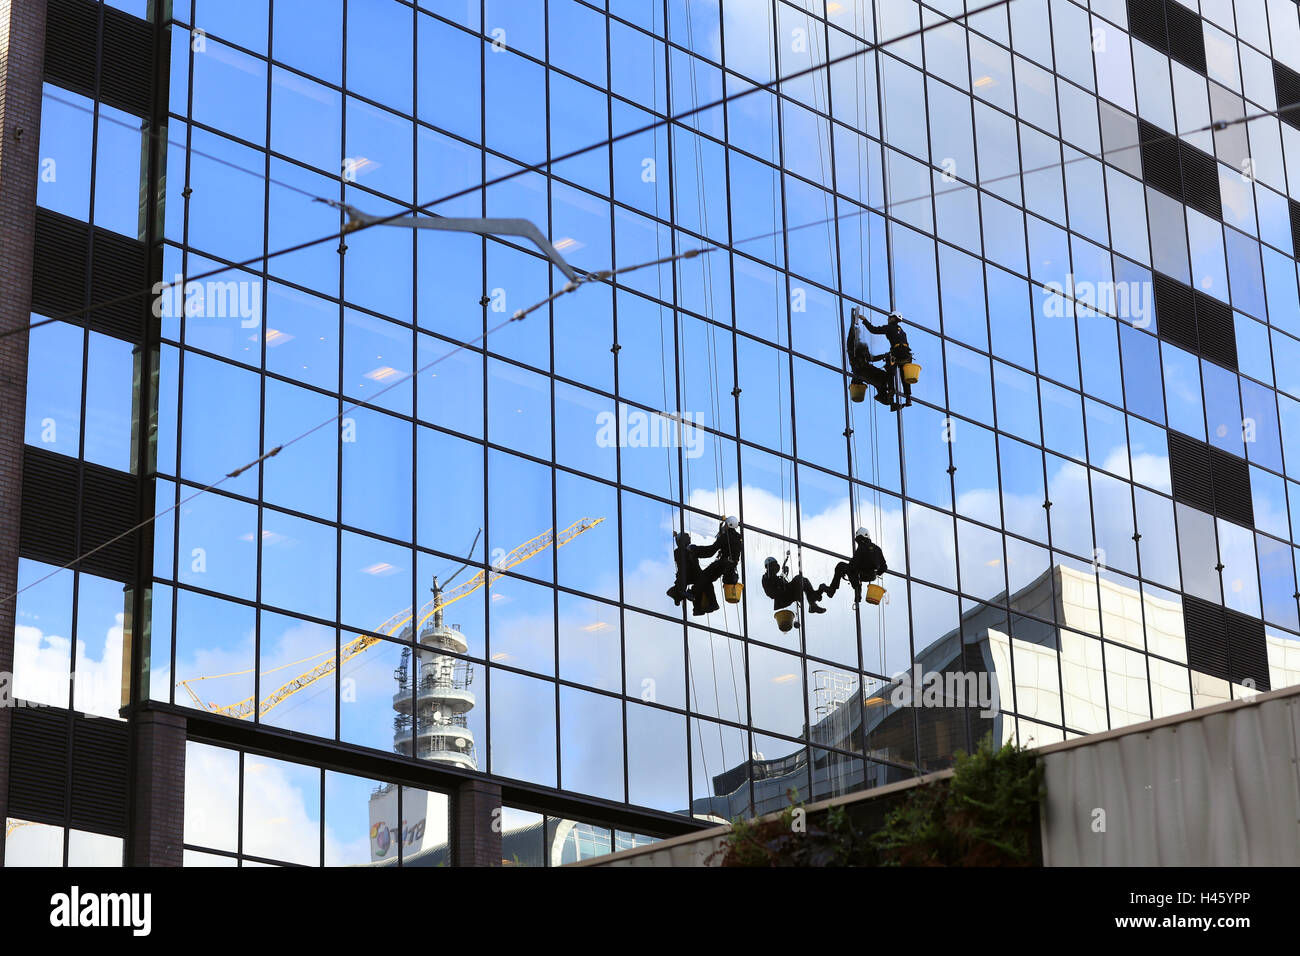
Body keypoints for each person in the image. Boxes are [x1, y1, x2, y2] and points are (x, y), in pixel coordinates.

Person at [820, 527, 888, 605]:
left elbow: (853, 565)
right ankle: (858, 592)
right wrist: (877, 573)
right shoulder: (877, 549)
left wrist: (845, 571)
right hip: (871, 576)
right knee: (855, 573)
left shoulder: (861, 548)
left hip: (859, 574)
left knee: (841, 566)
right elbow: (884, 567)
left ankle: (832, 590)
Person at [864, 310, 914, 407]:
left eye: (889, 317)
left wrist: (865, 320)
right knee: (905, 377)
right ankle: (908, 399)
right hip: (906, 355)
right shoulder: (902, 331)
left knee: (890, 371)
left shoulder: (890, 327)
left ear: (893, 318)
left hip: (897, 352)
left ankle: (891, 395)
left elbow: (873, 330)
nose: (887, 319)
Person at [847, 309, 895, 407]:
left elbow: (871, 358)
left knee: (882, 378)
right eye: (857, 333)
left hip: (863, 369)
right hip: (861, 369)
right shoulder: (853, 345)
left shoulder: (862, 345)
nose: (859, 334)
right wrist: (853, 321)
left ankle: (883, 396)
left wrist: (884, 355)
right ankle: (883, 396)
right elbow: (851, 335)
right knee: (883, 377)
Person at [666, 530, 720, 617]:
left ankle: (697, 608)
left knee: (700, 585)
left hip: (686, 576)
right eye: (687, 536)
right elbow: (708, 551)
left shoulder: (679, 552)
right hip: (692, 575)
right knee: (705, 582)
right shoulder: (689, 550)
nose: (690, 538)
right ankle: (708, 605)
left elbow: (708, 552)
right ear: (683, 540)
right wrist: (719, 543)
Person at [760, 557, 826, 615]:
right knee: (798, 578)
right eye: (773, 566)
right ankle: (812, 603)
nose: (775, 568)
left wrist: (783, 576)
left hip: (786, 596)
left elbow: (784, 584)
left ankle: (812, 604)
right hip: (782, 599)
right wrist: (783, 587)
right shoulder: (766, 578)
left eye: (775, 566)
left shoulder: (777, 578)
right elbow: (771, 593)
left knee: (804, 580)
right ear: (769, 567)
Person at [696, 516, 742, 596]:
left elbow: (711, 551)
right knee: (709, 578)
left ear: (728, 525)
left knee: (704, 575)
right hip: (731, 566)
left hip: (723, 563)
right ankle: (712, 603)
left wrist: (696, 550)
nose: (725, 526)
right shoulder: (738, 539)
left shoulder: (725, 537)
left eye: (726, 525)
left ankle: (693, 593)